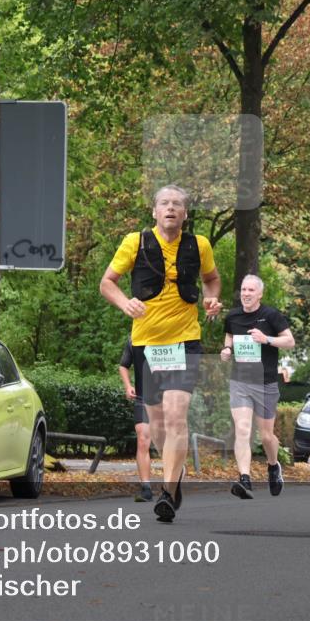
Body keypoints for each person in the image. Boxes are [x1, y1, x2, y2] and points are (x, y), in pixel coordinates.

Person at [100, 185, 222, 523]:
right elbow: (107, 282)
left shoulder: (199, 245)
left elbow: (212, 279)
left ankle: (167, 492)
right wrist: (124, 303)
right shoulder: (135, 242)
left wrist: (212, 298)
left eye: (177, 204)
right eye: (164, 203)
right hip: (146, 343)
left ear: (185, 214)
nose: (171, 208)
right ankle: (174, 473)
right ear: (154, 212)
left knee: (176, 414)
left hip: (185, 341)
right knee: (156, 423)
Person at [220, 274, 295, 499]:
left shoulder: (271, 315)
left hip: (265, 383)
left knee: (266, 436)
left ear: (260, 294)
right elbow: (229, 336)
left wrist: (267, 339)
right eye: (244, 289)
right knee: (243, 429)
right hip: (240, 381)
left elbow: (290, 341)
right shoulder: (233, 316)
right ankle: (245, 479)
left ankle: (273, 465)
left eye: (251, 290)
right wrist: (227, 350)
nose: (246, 293)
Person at [118, 337, 154, 501]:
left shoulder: (167, 334)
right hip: (142, 397)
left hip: (167, 397)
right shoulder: (133, 339)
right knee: (142, 439)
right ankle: (146, 487)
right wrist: (128, 386)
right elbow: (123, 366)